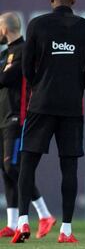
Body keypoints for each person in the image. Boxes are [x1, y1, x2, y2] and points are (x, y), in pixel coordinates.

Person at [11, 0, 85, 243]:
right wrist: (74, 87)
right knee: (68, 167)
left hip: (41, 104)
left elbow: (26, 68)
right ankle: (66, 231)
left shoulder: (37, 24)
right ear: (74, 0)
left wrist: (41, 86)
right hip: (71, 107)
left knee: (28, 161)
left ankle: (23, 223)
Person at [0, 13, 55, 239]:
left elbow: (4, 79)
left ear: (4, 28)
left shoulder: (24, 51)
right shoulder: (5, 53)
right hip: (2, 119)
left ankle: (44, 214)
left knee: (13, 167)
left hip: (17, 118)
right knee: (6, 171)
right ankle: (12, 224)